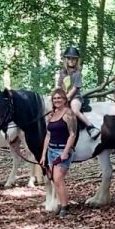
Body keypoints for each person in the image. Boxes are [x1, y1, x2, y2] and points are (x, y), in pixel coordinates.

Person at [41, 88, 77, 217]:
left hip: (62, 150)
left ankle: (65, 208)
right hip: (51, 150)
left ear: (64, 99)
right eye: (55, 98)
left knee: (58, 179)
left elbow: (72, 135)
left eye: (59, 98)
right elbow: (48, 136)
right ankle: (60, 204)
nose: (57, 100)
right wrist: (43, 154)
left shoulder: (69, 114)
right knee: (53, 180)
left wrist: (65, 153)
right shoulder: (52, 115)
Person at [55, 46, 96, 139]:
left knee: (75, 110)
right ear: (66, 60)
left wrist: (67, 97)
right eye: (69, 58)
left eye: (73, 59)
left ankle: (90, 127)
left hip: (75, 97)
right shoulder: (62, 73)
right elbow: (59, 86)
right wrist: (56, 95)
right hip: (64, 97)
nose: (71, 60)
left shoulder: (77, 73)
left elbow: (75, 88)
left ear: (77, 60)